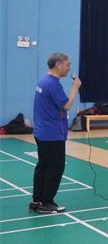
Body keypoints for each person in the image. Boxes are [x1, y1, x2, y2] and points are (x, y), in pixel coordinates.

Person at [30, 52, 81, 214]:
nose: (69, 68)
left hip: (42, 132)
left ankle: (37, 201)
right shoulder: (52, 83)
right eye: (67, 64)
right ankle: (47, 203)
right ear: (58, 65)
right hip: (52, 134)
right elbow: (66, 105)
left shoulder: (43, 80)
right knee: (56, 167)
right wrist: (75, 88)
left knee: (43, 166)